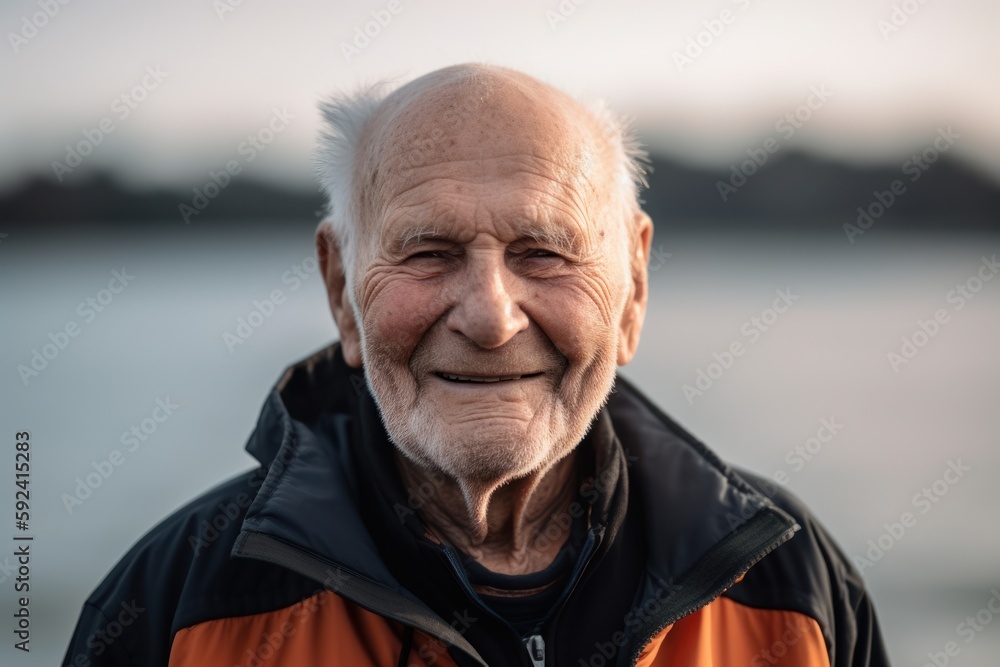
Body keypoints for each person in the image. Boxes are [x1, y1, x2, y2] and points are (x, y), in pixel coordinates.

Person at [64, 63, 890, 667]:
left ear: (632, 286)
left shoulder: (788, 580)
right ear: (342, 291)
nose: (492, 317)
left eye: (543, 252)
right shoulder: (173, 607)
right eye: (427, 251)